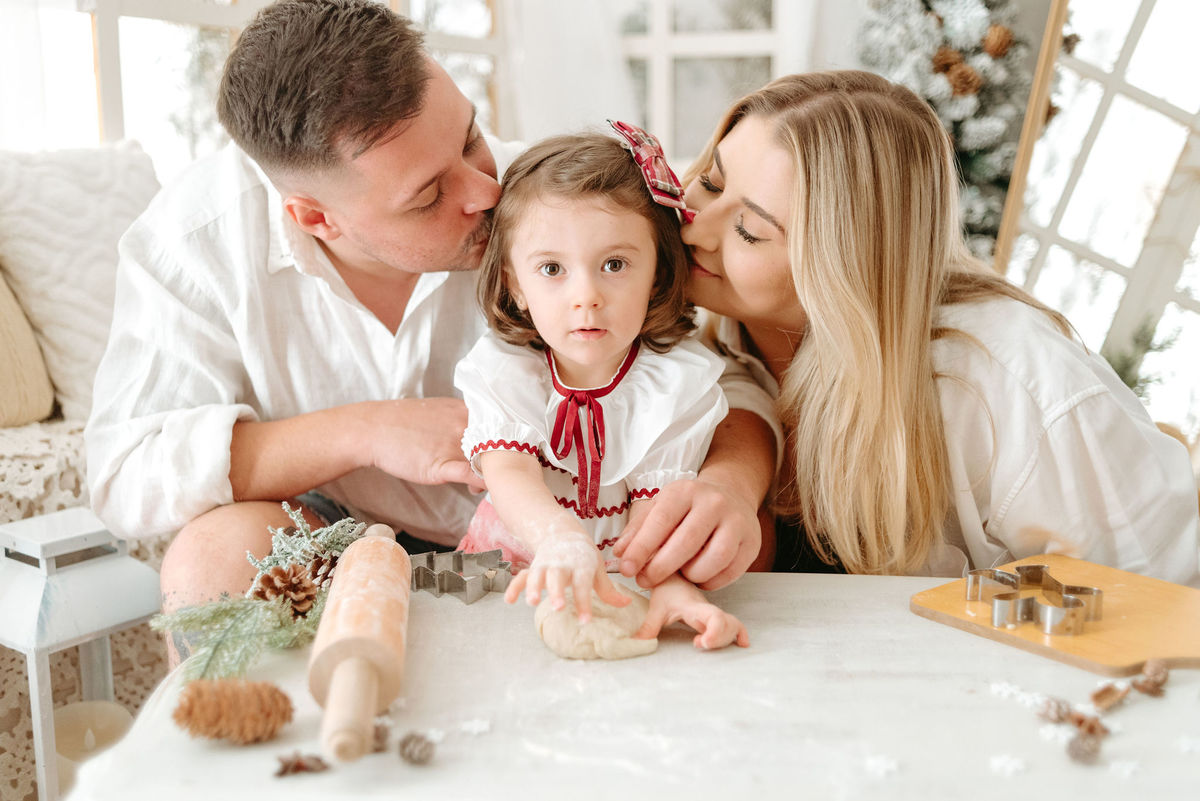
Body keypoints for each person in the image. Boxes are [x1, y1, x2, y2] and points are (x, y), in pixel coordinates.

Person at [84, 0, 776, 663]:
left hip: (586, 524)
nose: (484, 191)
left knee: (739, 536)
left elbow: (714, 370)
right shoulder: (195, 243)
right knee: (211, 555)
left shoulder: (547, 201)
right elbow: (123, 470)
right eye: (427, 197)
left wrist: (732, 486)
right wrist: (366, 431)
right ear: (317, 218)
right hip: (340, 527)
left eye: (471, 137)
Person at [622, 70, 1200, 585]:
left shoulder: (1009, 380)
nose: (695, 229)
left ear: (845, 264)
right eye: (712, 183)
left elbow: (1163, 590)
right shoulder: (702, 335)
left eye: (749, 229)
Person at [454, 124, 748, 648]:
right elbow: (509, 474)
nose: (585, 296)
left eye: (614, 264)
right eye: (551, 269)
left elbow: (655, 513)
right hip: (506, 581)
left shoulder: (673, 383)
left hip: (619, 582)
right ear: (514, 283)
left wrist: (671, 588)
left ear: (657, 274)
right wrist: (560, 541)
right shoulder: (506, 370)